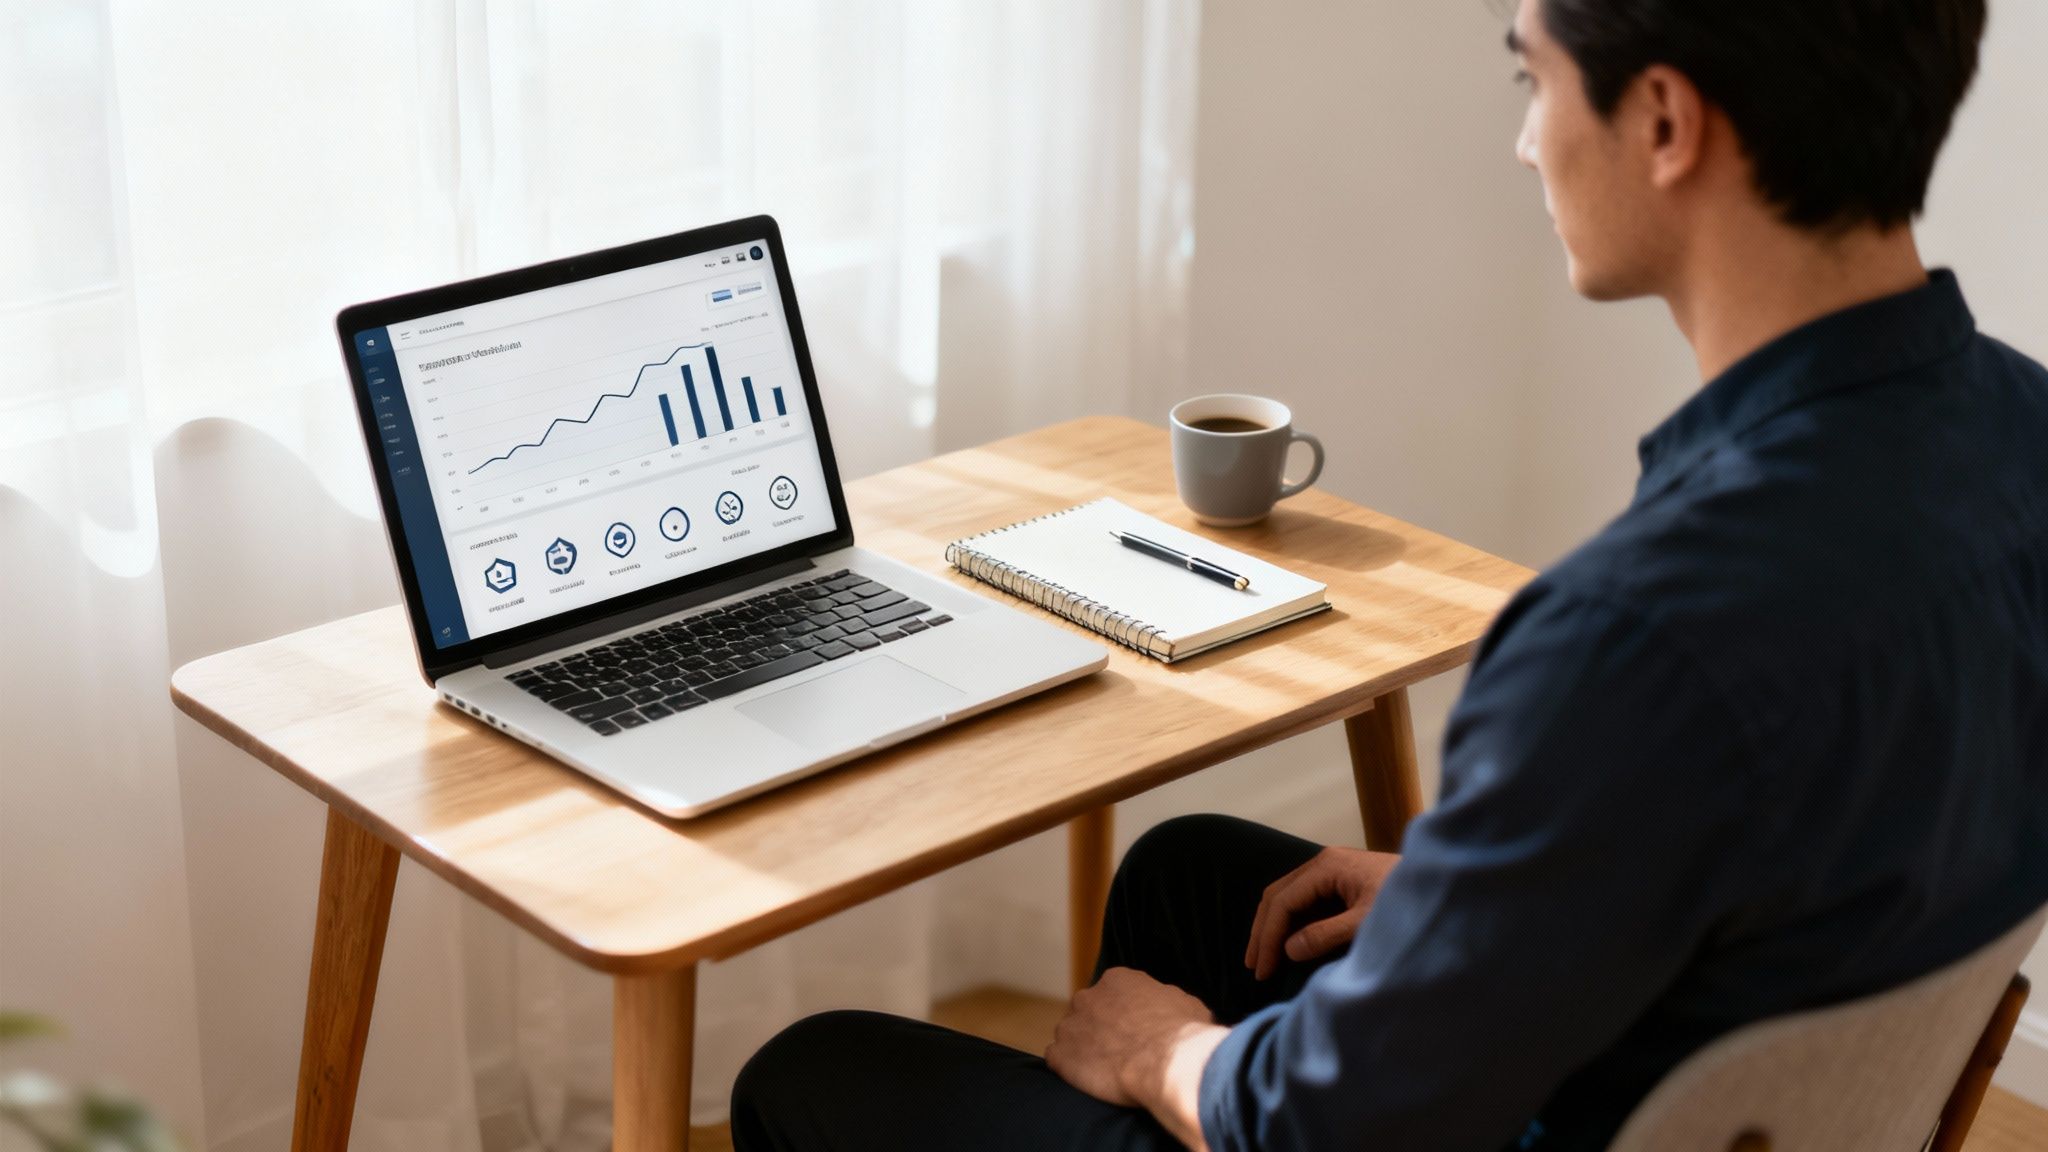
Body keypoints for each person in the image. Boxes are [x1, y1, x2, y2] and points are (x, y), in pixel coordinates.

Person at [730, 0, 2048, 1148]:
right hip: (1722, 1083)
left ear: (1662, 121)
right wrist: (1468, 899)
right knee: (1195, 877)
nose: (1528, 140)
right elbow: (1827, 840)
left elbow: (1328, 1125)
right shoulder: (2023, 438)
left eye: (1533, 80)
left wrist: (1157, 1055)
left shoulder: (1633, 634)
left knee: (811, 1072)